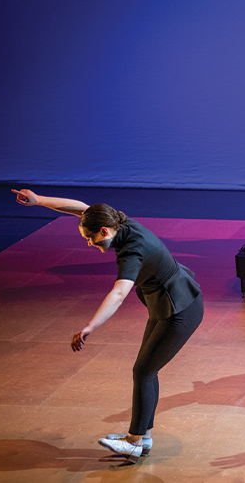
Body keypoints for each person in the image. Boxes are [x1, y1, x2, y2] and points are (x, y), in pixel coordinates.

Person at [12, 189, 204, 460]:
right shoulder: (119, 223)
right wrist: (40, 201)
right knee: (145, 370)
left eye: (90, 238)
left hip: (180, 309)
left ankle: (135, 440)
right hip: (167, 303)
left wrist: (91, 326)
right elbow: (80, 208)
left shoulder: (132, 251)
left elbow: (118, 294)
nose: (89, 243)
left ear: (103, 231)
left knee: (144, 371)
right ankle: (141, 438)